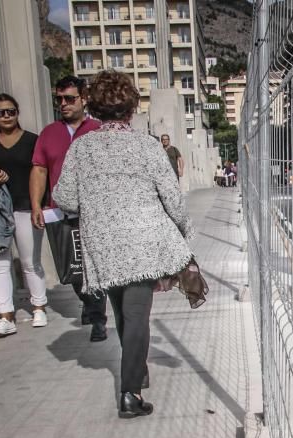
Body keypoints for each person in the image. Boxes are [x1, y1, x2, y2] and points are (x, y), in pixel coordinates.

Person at [54, 70, 194, 418]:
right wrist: (184, 232)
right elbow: (172, 198)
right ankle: (130, 393)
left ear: (95, 108)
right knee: (137, 317)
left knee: (123, 313)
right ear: (131, 109)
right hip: (144, 242)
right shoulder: (146, 146)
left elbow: (66, 197)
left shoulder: (82, 147)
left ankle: (137, 370)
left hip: (104, 245)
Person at [30, 75, 108, 341]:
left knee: (96, 265)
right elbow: (39, 169)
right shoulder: (49, 134)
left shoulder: (98, 129)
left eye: (70, 99)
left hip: (94, 212)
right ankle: (87, 300)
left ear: (83, 100)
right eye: (59, 99)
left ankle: (99, 318)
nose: (64, 104)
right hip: (60, 210)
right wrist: (36, 205)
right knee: (74, 269)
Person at [0, 93, 48, 337]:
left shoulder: (32, 140)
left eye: (11, 111)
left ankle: (38, 307)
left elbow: (42, 172)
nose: (6, 116)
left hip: (26, 207)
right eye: (0, 112)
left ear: (17, 113)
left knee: (29, 261)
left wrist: (40, 206)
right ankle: (5, 316)